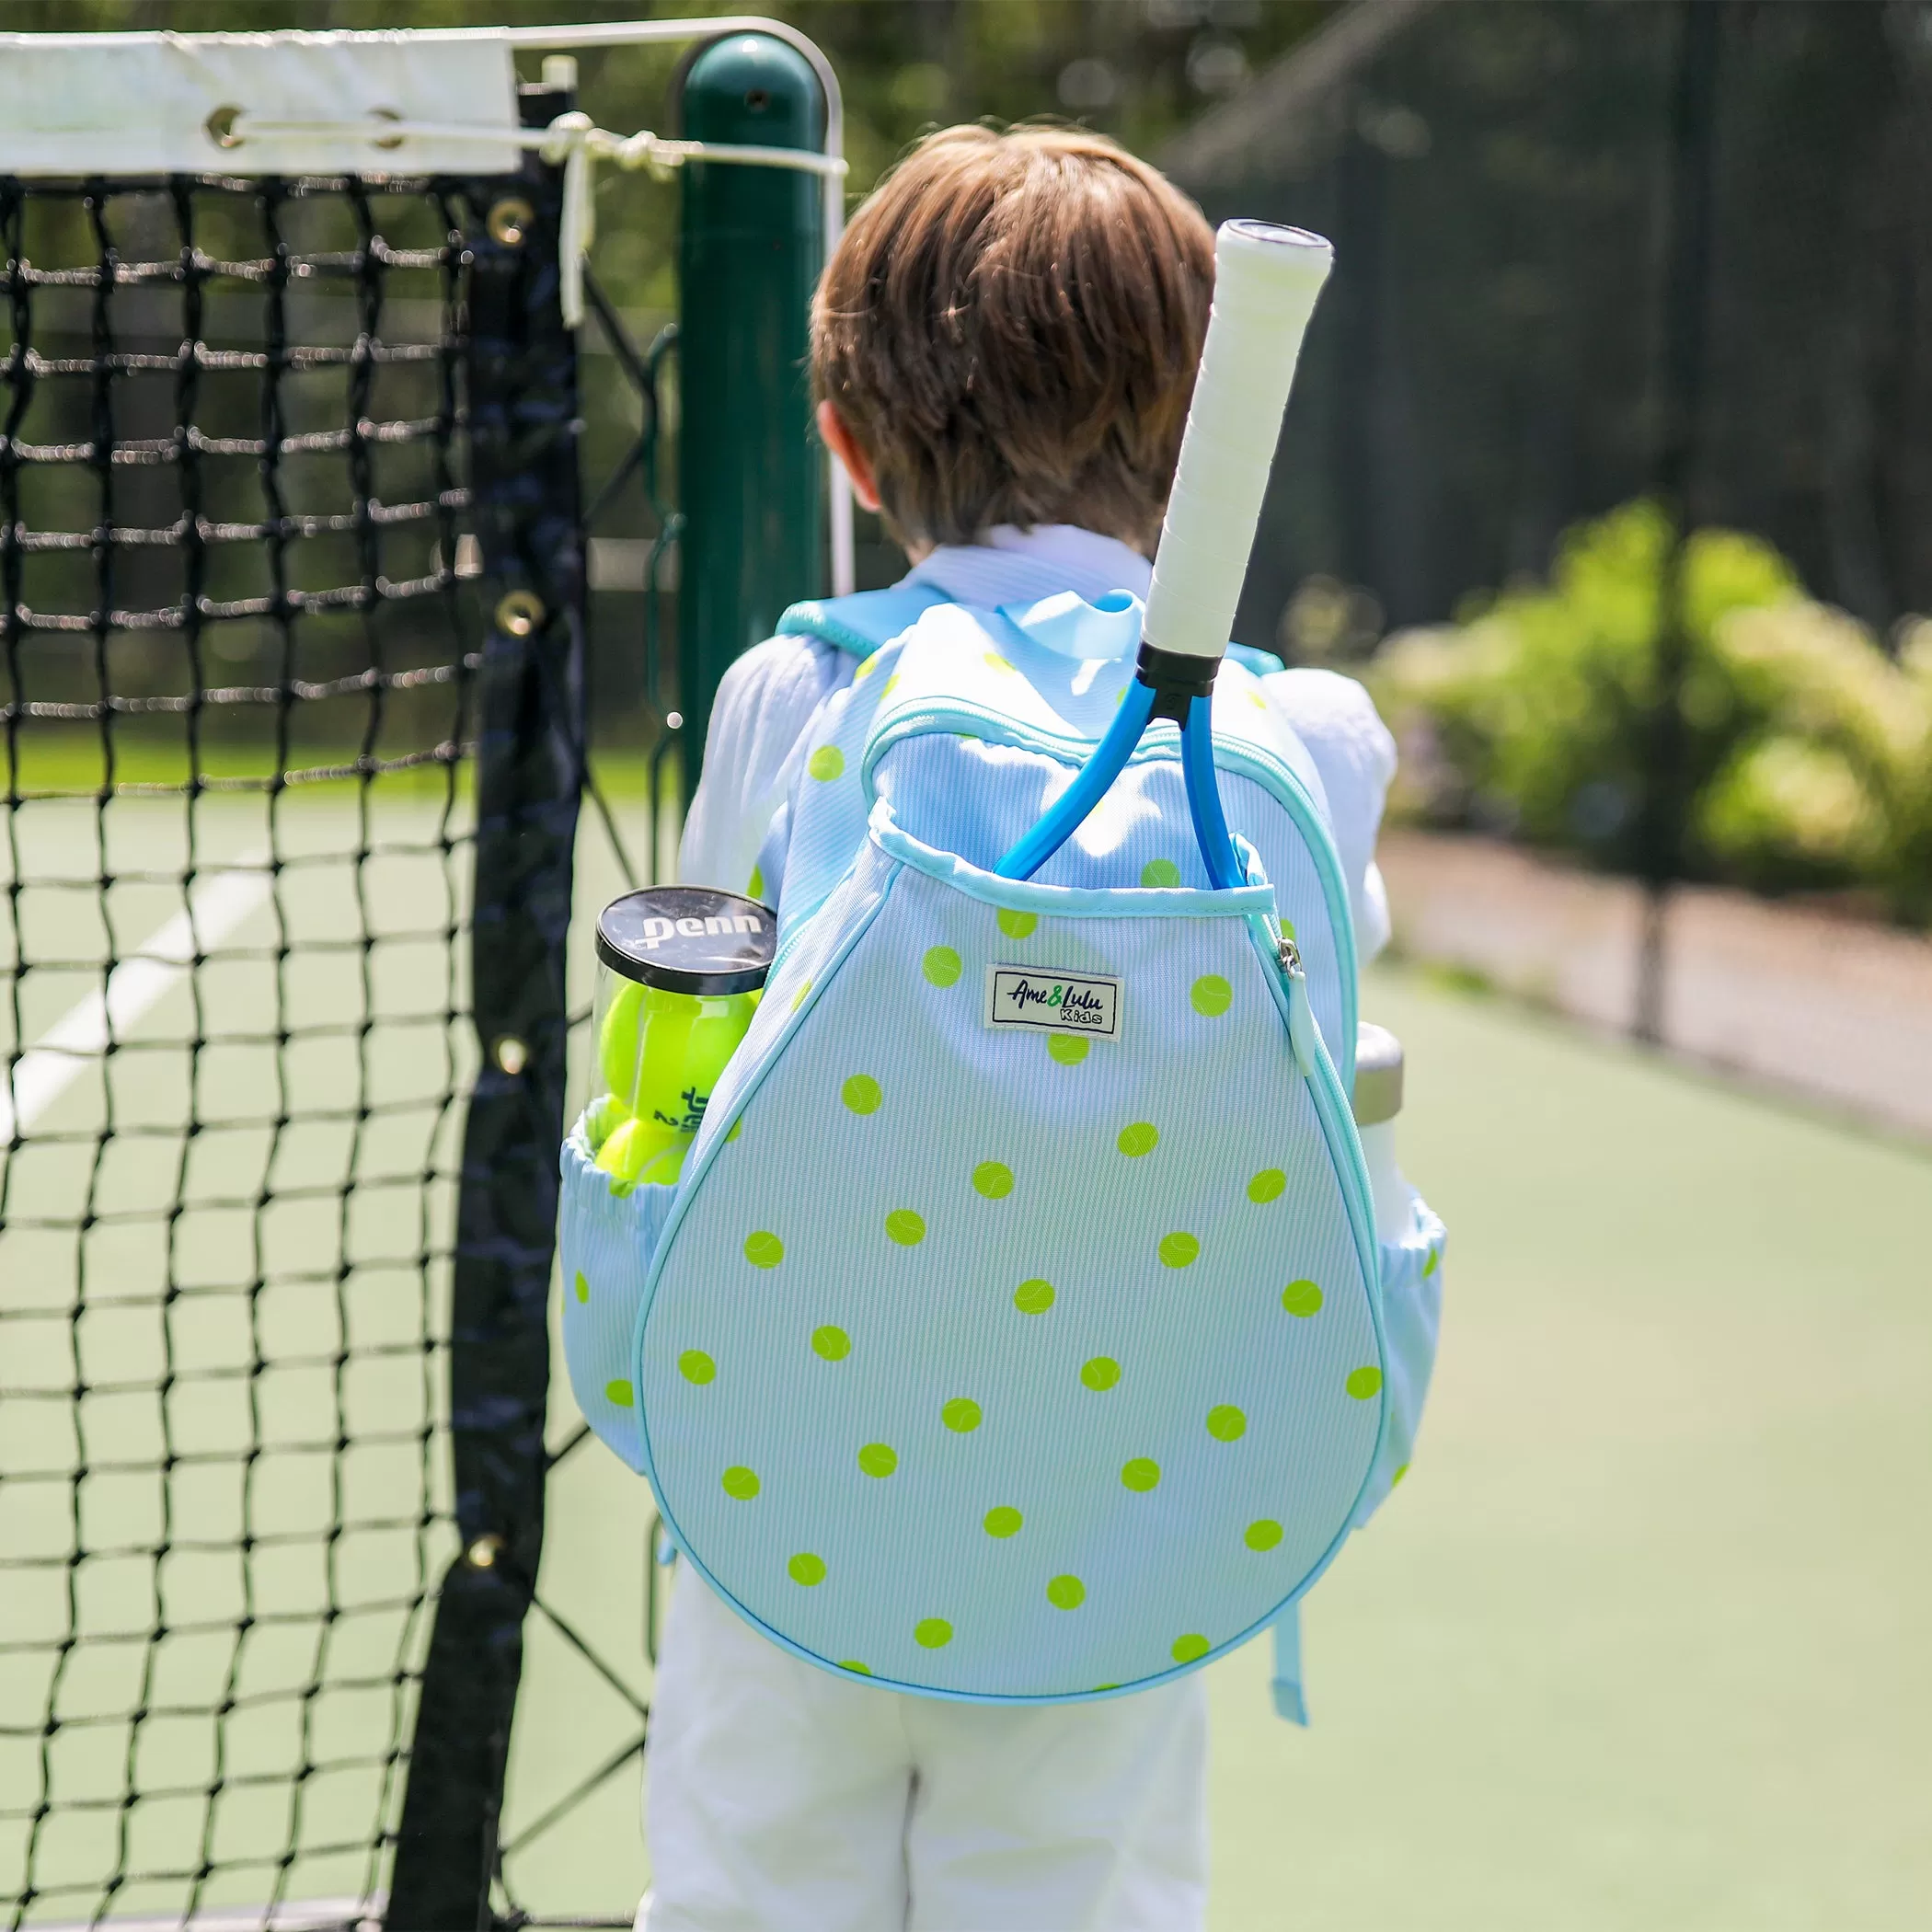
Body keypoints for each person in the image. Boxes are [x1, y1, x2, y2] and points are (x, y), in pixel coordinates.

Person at [650, 123, 1397, 1932]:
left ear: (847, 441)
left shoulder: (791, 692)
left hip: (786, 1476)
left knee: (751, 1889)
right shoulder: (1314, 744)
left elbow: (685, 1028)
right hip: (1125, 1495)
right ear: (1213, 436)